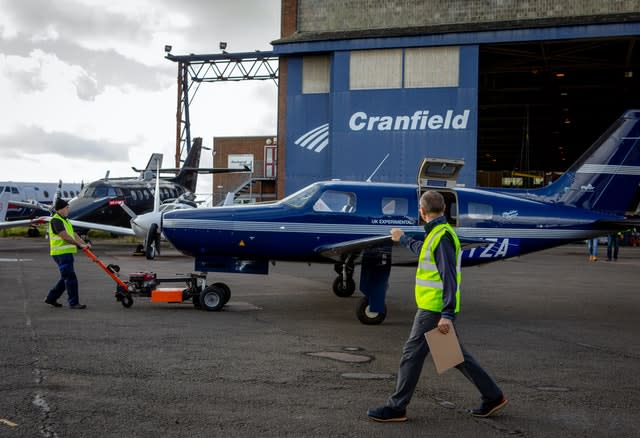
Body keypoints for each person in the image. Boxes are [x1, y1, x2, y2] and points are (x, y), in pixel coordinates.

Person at [367, 190, 507, 423]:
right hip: (433, 308)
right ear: (442, 209)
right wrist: (402, 238)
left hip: (434, 311)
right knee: (453, 356)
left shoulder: (441, 236)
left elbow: (449, 277)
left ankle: (396, 407)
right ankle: (493, 396)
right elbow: (423, 251)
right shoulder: (437, 234)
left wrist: (447, 314)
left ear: (422, 212)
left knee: (411, 355)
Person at [44, 198, 91, 309]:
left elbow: (73, 234)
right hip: (60, 254)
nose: (68, 209)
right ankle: (73, 303)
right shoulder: (56, 220)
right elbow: (65, 236)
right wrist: (79, 245)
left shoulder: (65, 220)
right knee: (70, 278)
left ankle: (51, 298)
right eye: (67, 208)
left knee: (65, 277)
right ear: (61, 209)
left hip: (66, 253)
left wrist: (85, 244)